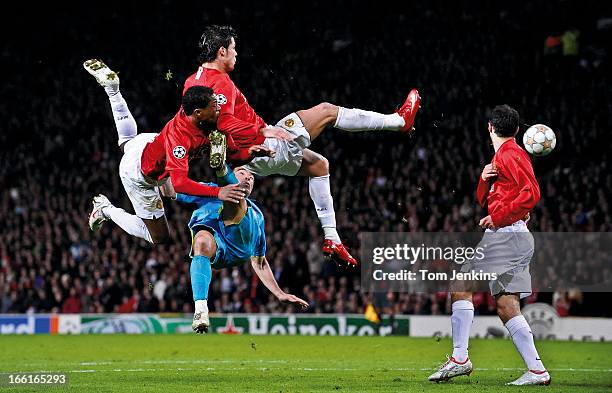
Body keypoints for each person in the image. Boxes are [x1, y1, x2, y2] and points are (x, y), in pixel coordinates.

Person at [183, 25, 421, 267]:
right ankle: (399, 121)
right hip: (264, 145)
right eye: (234, 49)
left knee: (319, 166)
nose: (237, 54)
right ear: (221, 51)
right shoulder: (220, 82)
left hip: (244, 159)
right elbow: (224, 122)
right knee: (327, 111)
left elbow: (195, 125)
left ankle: (333, 239)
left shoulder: (192, 82)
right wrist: (262, 131)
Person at [84, 59, 273, 244]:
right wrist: (218, 192)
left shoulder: (205, 118)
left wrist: (250, 152)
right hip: (139, 173)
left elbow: (233, 154)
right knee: (158, 236)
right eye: (214, 106)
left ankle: (113, 91)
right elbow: (180, 182)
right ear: (198, 112)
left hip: (151, 145)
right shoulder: (181, 139)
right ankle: (105, 209)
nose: (219, 109)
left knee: (128, 143)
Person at [427, 105, 550, 386]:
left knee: (461, 284)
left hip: (506, 235)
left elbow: (531, 193)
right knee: (507, 305)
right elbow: (487, 199)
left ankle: (460, 358)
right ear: (517, 129)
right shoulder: (503, 157)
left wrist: (498, 217)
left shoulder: (511, 154)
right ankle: (537, 370)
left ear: (489, 127)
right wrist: (483, 180)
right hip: (516, 235)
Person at [161, 165, 309, 333]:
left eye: (251, 178)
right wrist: (163, 169)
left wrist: (280, 293)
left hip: (238, 250)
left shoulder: (257, 216)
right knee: (201, 241)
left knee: (234, 197)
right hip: (216, 247)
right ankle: (201, 309)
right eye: (242, 173)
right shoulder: (209, 190)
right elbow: (169, 191)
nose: (248, 178)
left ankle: (221, 167)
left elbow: (259, 262)